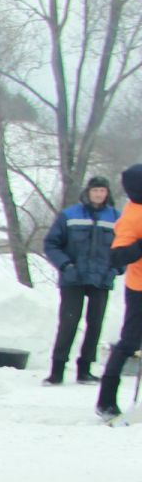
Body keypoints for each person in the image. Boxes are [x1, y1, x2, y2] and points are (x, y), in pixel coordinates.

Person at [42, 175, 121, 385]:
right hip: (73, 278)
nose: (98, 194)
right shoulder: (69, 215)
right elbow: (51, 244)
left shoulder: (115, 217)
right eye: (95, 190)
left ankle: (84, 369)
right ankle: (57, 370)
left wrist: (115, 270)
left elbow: (126, 248)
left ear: (107, 193)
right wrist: (66, 266)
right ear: (88, 192)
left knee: (95, 325)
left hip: (101, 279)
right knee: (68, 323)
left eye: (102, 191)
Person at [93, 164, 142, 421]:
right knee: (129, 343)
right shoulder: (132, 217)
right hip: (140, 290)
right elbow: (118, 256)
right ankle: (106, 400)